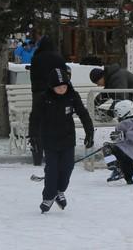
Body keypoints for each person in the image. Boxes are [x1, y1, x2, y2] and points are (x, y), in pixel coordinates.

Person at [37, 65, 94, 213]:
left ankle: (59, 191)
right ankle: (49, 196)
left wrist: (89, 133)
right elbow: (36, 119)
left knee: (68, 167)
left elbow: (83, 114)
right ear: (51, 87)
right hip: (49, 140)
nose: (62, 89)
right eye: (58, 87)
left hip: (67, 138)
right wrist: (35, 138)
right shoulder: (44, 98)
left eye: (64, 86)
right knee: (52, 170)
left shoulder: (72, 95)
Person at [27, 34, 69, 165]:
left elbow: (33, 77)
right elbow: (64, 75)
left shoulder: (36, 58)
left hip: (39, 93)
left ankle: (37, 154)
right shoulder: (58, 58)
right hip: (56, 93)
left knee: (38, 122)